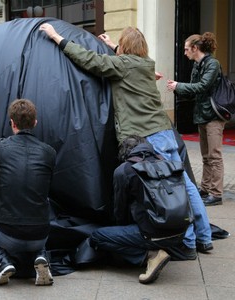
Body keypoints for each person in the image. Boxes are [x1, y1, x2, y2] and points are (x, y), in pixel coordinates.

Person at [39, 24, 213, 255]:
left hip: (149, 136)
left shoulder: (123, 65)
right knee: (186, 186)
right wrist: (112, 44)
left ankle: (187, 242)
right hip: (165, 131)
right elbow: (125, 58)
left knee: (167, 190)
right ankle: (203, 237)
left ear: (126, 47)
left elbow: (89, 59)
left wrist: (56, 37)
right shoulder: (146, 64)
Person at [0, 99, 56, 286]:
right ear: (35, 123)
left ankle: (2, 260)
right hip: (40, 235)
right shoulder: (49, 152)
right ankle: (41, 255)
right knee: (44, 202)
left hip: (6, 234)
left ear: (12, 122)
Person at [90, 135, 188, 284]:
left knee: (98, 236)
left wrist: (121, 231)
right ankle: (163, 248)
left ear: (124, 152)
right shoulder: (167, 163)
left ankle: (151, 255)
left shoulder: (124, 170)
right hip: (181, 231)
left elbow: (120, 210)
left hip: (152, 233)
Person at [167, 32, 224, 207]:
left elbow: (202, 86)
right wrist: (177, 87)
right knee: (206, 156)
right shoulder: (198, 65)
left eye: (186, 49)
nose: (185, 53)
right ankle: (206, 188)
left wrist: (179, 86)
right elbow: (194, 89)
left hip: (213, 115)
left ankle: (216, 193)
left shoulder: (213, 64)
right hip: (202, 114)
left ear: (195, 48)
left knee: (214, 155)